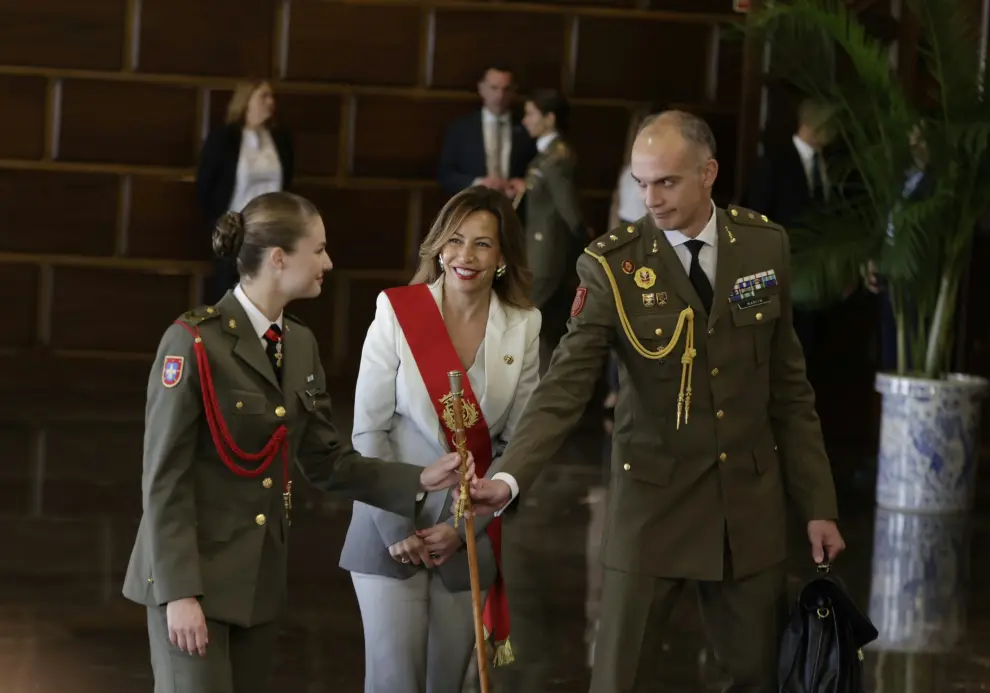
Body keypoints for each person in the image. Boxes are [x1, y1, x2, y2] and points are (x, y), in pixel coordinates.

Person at [467, 111, 847, 693]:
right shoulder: (612, 265)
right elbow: (566, 386)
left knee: (756, 677)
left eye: (666, 182)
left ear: (709, 173)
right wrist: (510, 475)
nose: (651, 198)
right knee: (622, 679)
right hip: (652, 505)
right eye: (642, 183)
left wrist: (818, 502)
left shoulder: (764, 246)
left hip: (746, 510)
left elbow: (789, 391)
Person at [121, 191, 472, 693]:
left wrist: (416, 478)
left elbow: (326, 460)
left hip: (257, 582)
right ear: (279, 258)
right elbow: (163, 480)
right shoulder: (194, 343)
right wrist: (178, 593)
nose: (329, 262)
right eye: (320, 249)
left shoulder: (299, 344)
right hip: (191, 578)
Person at [338, 186, 541, 693]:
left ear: (502, 255)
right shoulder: (398, 309)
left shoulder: (524, 326)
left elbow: (520, 441)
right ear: (437, 246)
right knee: (393, 683)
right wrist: (395, 526)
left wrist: (466, 528)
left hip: (464, 535)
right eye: (454, 241)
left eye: (482, 244)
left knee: (445, 684)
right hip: (389, 529)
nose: (465, 257)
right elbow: (368, 429)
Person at [506, 89, 586, 373]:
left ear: (550, 118)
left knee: (525, 319)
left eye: (531, 114)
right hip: (536, 250)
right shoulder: (545, 155)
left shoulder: (558, 157)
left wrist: (585, 245)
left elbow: (570, 212)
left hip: (547, 253)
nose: (525, 120)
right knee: (542, 326)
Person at [196, 80, 295, 303]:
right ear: (246, 101)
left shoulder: (280, 140)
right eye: (264, 96)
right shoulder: (224, 139)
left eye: (272, 97)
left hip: (270, 232)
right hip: (233, 231)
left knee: (266, 298)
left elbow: (286, 182)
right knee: (228, 297)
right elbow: (205, 187)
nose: (270, 102)